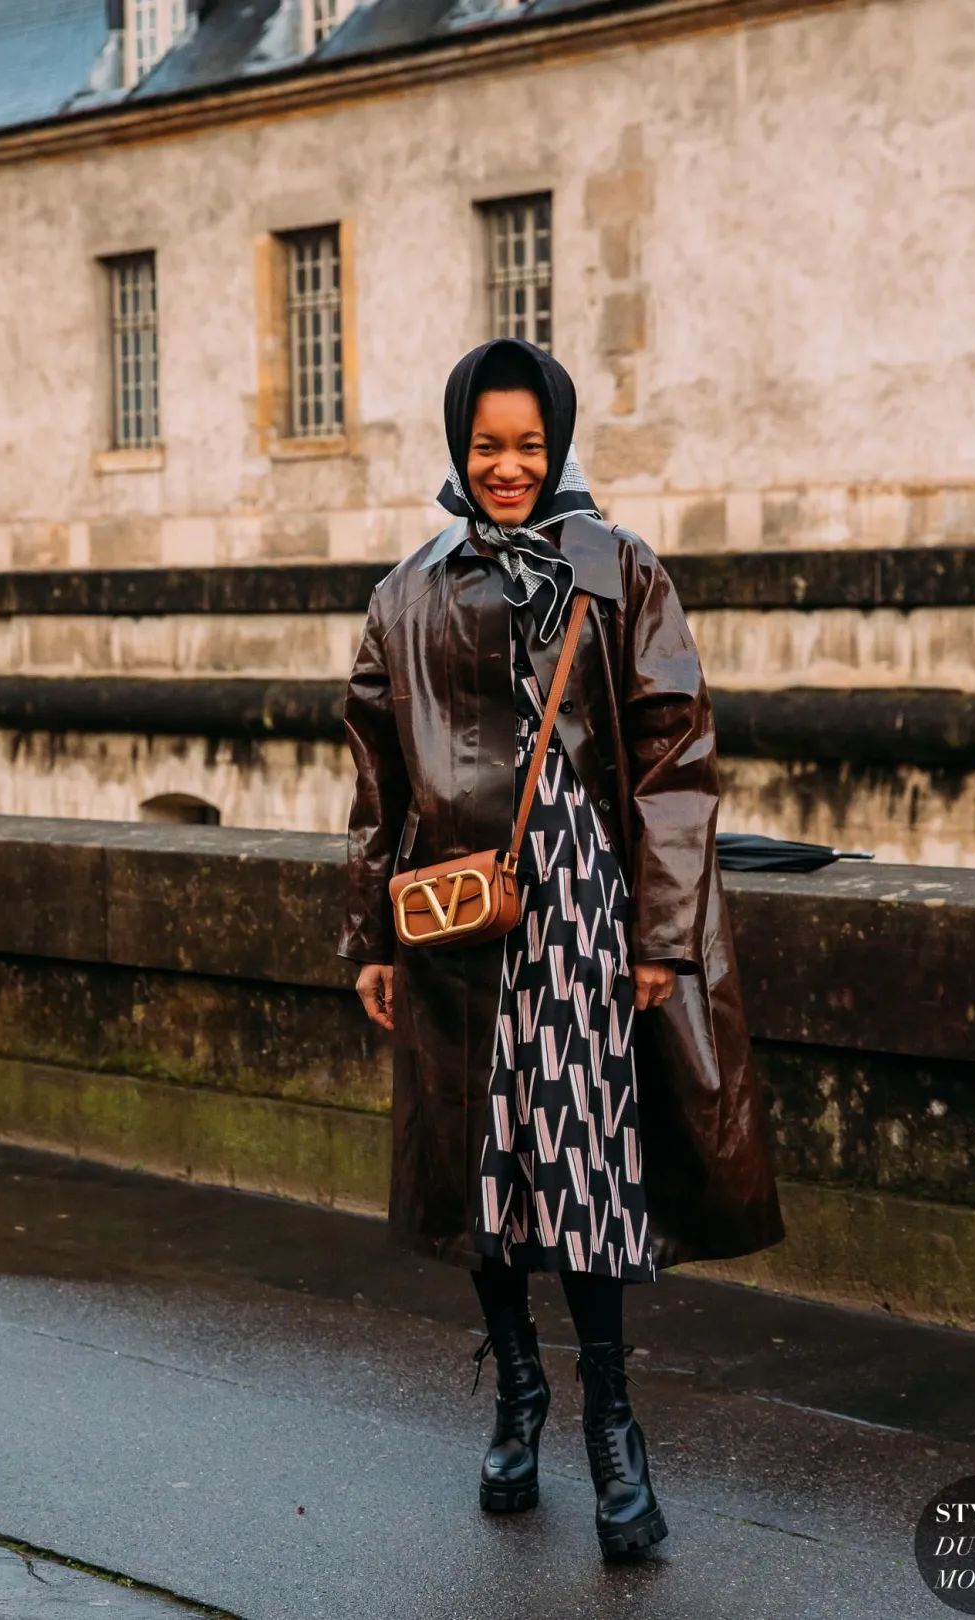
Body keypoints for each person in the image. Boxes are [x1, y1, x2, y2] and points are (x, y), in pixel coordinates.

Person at [338, 336, 785, 1559]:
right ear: (457, 445)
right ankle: (519, 1390)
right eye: (487, 445)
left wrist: (662, 935)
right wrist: (369, 934)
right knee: (482, 1167)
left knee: (581, 1163)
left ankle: (613, 1430)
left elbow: (675, 756)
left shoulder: (617, 567)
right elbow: (376, 784)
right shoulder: (404, 594)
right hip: (452, 914)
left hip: (583, 907)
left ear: (559, 444)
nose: (508, 467)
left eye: (529, 444)